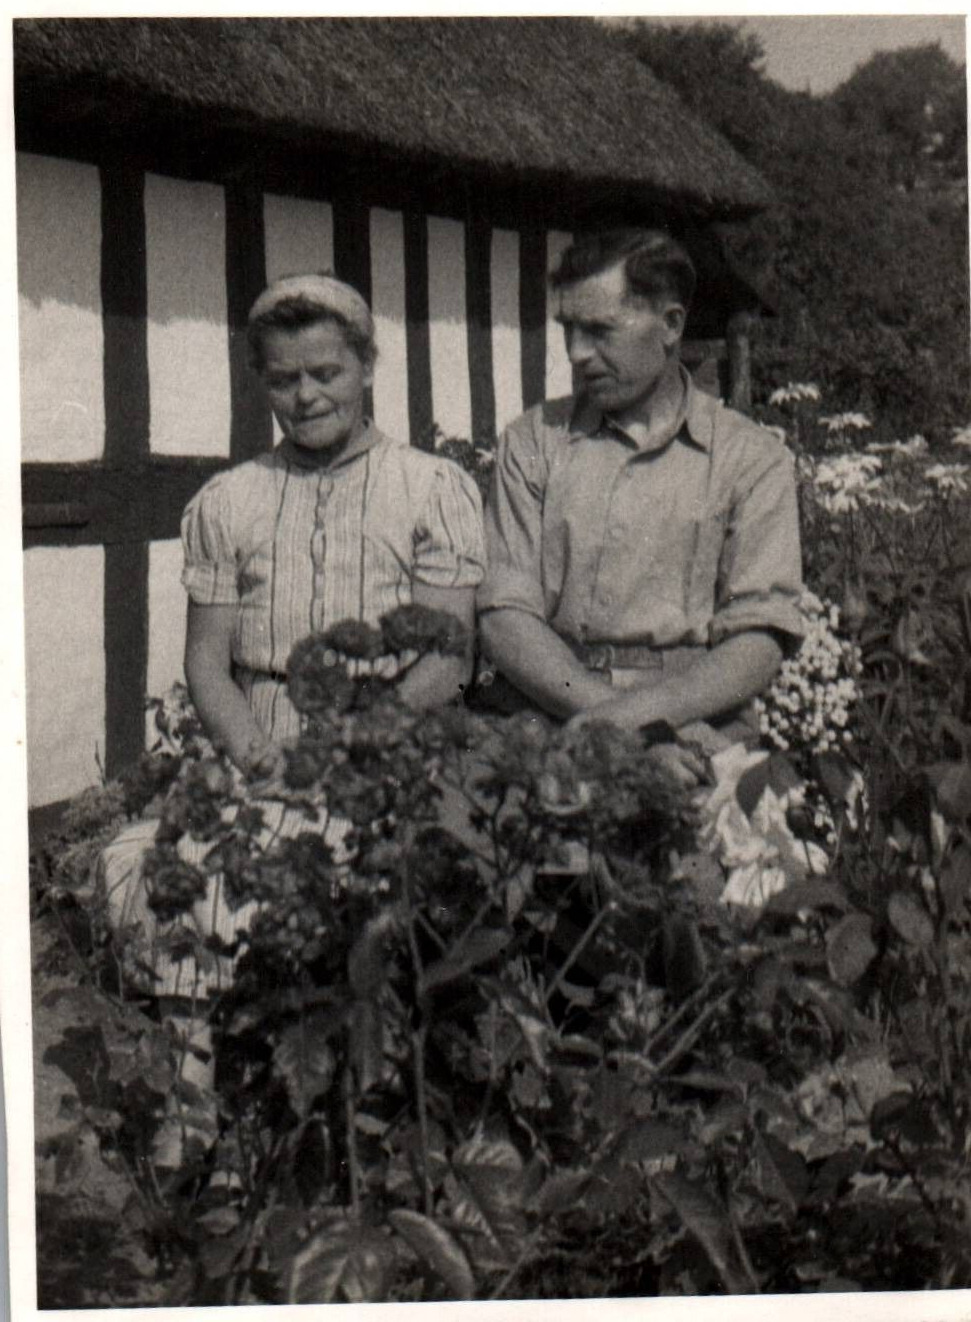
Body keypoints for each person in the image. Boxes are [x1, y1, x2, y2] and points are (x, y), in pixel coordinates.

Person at [101, 273, 485, 1144]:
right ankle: (197, 1110)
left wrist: (345, 747)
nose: (305, 395)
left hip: (384, 761)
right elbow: (207, 659)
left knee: (326, 873)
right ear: (262, 384)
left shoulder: (431, 489)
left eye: (326, 372)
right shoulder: (230, 500)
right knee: (143, 860)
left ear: (366, 367)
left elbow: (445, 657)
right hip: (259, 753)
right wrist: (253, 755)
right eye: (283, 379)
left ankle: (325, 1125)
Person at [477, 228, 804, 780]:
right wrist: (619, 729)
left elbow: (759, 637)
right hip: (542, 715)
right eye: (569, 330)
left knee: (737, 855)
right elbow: (504, 616)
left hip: (695, 726)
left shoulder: (751, 458)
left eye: (600, 330)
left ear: (671, 326)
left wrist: (640, 720)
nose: (578, 353)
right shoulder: (532, 441)